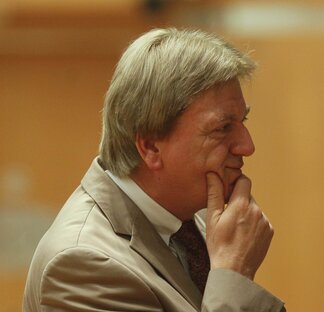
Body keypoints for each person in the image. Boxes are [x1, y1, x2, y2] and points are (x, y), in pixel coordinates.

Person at [23, 28, 284, 311]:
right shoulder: (82, 263)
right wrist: (234, 274)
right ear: (150, 147)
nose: (247, 146)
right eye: (222, 128)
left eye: (242, 122)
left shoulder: (188, 218)